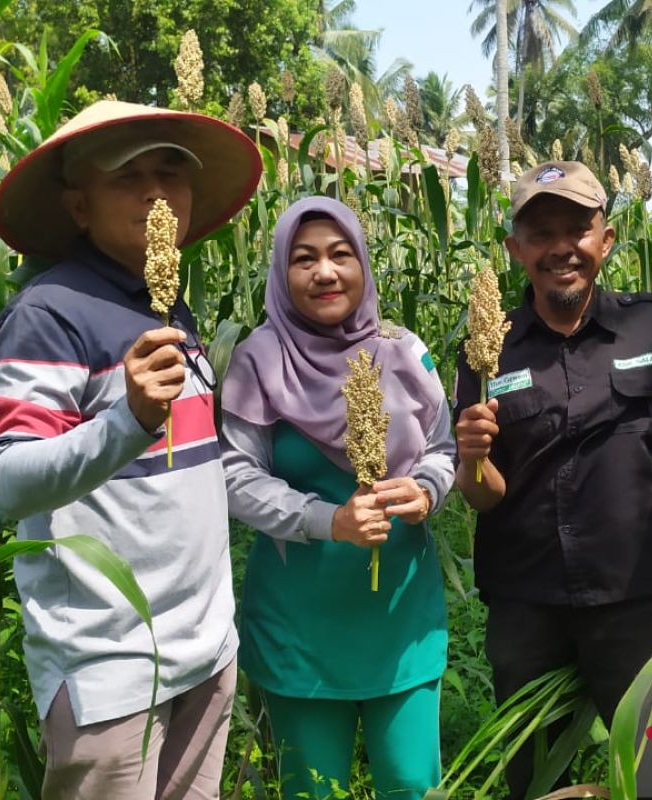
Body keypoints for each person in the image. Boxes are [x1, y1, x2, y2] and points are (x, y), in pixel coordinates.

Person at [452, 160, 652, 798]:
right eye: (540, 234)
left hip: (636, 595)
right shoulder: (489, 349)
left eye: (577, 228)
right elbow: (484, 496)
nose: (561, 247)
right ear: (516, 249)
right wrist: (471, 459)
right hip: (525, 598)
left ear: (607, 239)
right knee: (534, 777)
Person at [0, 100, 261, 799]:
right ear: (79, 207)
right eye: (127, 176)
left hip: (206, 650)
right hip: (111, 670)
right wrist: (128, 418)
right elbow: (11, 483)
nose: (155, 191)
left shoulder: (167, 306)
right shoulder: (49, 314)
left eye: (171, 171)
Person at [220, 196, 454, 800]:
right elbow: (234, 475)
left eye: (340, 255)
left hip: (400, 622)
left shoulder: (405, 350)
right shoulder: (258, 359)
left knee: (411, 786)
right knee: (311, 789)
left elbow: (443, 448)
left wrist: (427, 489)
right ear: (282, 272)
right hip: (301, 628)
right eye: (304, 259)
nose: (325, 272)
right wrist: (328, 520)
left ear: (362, 264)